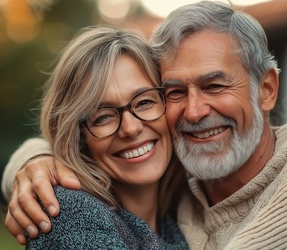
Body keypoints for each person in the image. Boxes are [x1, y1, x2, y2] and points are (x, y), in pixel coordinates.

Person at [3, 1, 287, 249]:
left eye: (215, 86)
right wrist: (38, 164)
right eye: (176, 92)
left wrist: (36, 163)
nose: (193, 112)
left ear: (267, 90)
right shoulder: (181, 183)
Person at [17, 25, 188, 249]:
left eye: (145, 102)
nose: (131, 127)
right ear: (78, 136)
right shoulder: (72, 214)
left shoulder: (187, 209)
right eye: (103, 117)